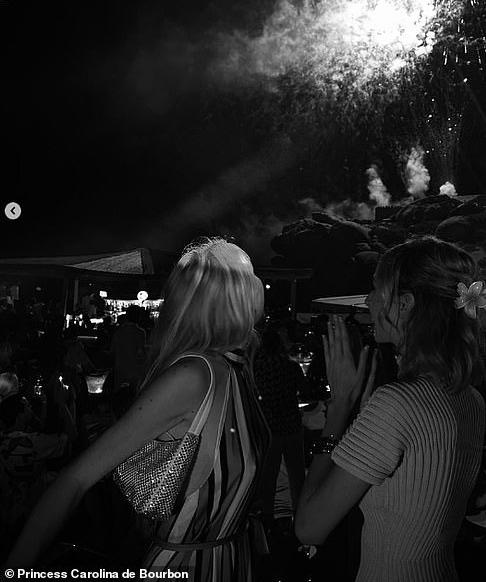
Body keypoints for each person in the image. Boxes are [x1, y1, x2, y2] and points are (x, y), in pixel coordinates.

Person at [5, 237, 270, 579]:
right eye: (246, 280)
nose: (257, 291)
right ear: (220, 297)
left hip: (230, 562)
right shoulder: (194, 376)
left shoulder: (235, 369)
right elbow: (75, 479)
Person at [295, 235, 486, 582]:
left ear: (405, 304)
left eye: (376, 289)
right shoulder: (470, 398)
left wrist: (340, 408)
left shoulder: (398, 403)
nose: (368, 300)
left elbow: (309, 528)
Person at [253, 326, 308, 532]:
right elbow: (305, 391)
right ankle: (300, 513)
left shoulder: (258, 368)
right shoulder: (291, 367)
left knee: (269, 474)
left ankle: (268, 516)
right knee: (296, 474)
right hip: (292, 425)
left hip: (270, 429)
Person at [109, 306, 147, 393]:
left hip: (120, 369)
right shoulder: (140, 332)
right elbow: (141, 354)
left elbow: (112, 351)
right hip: (133, 371)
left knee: (119, 396)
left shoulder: (119, 331)